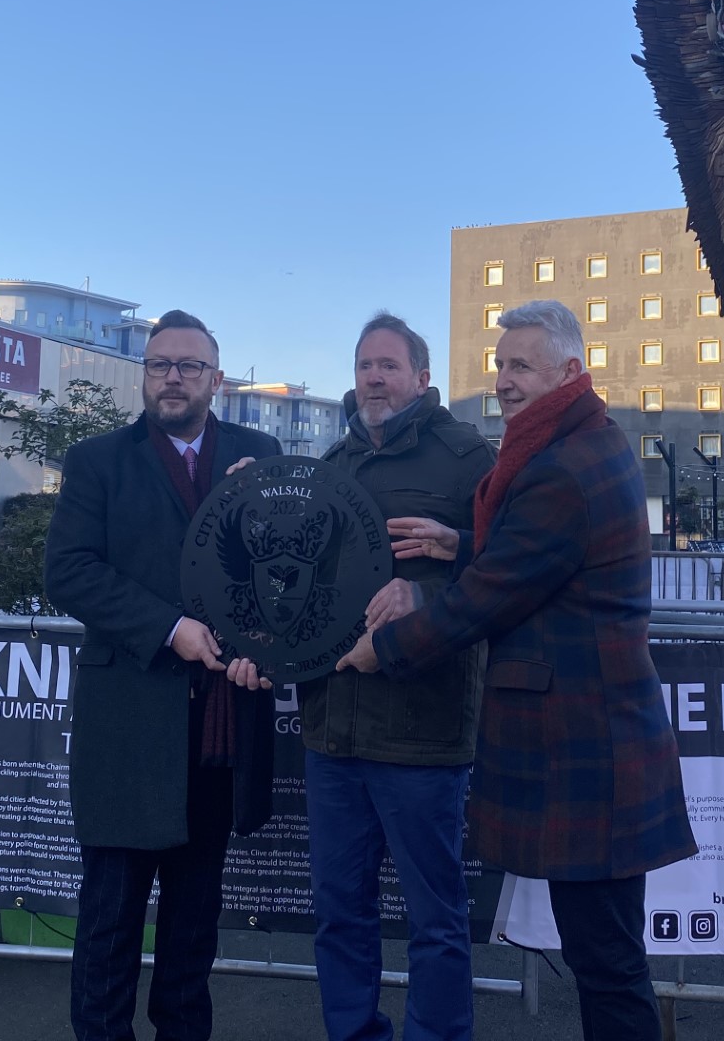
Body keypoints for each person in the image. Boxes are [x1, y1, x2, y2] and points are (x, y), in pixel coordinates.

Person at [339, 300, 696, 1040]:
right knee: (608, 956)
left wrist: (386, 649)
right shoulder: (573, 445)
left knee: (607, 962)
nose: (504, 380)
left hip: (586, 744)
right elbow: (532, 569)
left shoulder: (560, 467)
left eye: (521, 366)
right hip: (597, 740)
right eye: (500, 365)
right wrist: (463, 544)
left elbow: (488, 600)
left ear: (569, 370)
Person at [45, 310, 279, 1041]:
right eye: (159, 365)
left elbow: (292, 569)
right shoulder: (97, 461)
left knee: (192, 928)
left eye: (187, 366)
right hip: (129, 729)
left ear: (217, 379)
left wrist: (264, 515)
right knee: (110, 924)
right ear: (144, 376)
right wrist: (171, 630)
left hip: (217, 730)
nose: (171, 377)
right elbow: (70, 572)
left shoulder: (261, 453)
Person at [299, 313, 494, 1041]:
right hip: (333, 731)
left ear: (422, 375)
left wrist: (428, 599)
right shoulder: (334, 463)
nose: (373, 378)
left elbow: (512, 574)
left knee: (436, 919)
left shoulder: (469, 458)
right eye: (363, 365)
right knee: (339, 912)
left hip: (423, 735)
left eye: (388, 365)